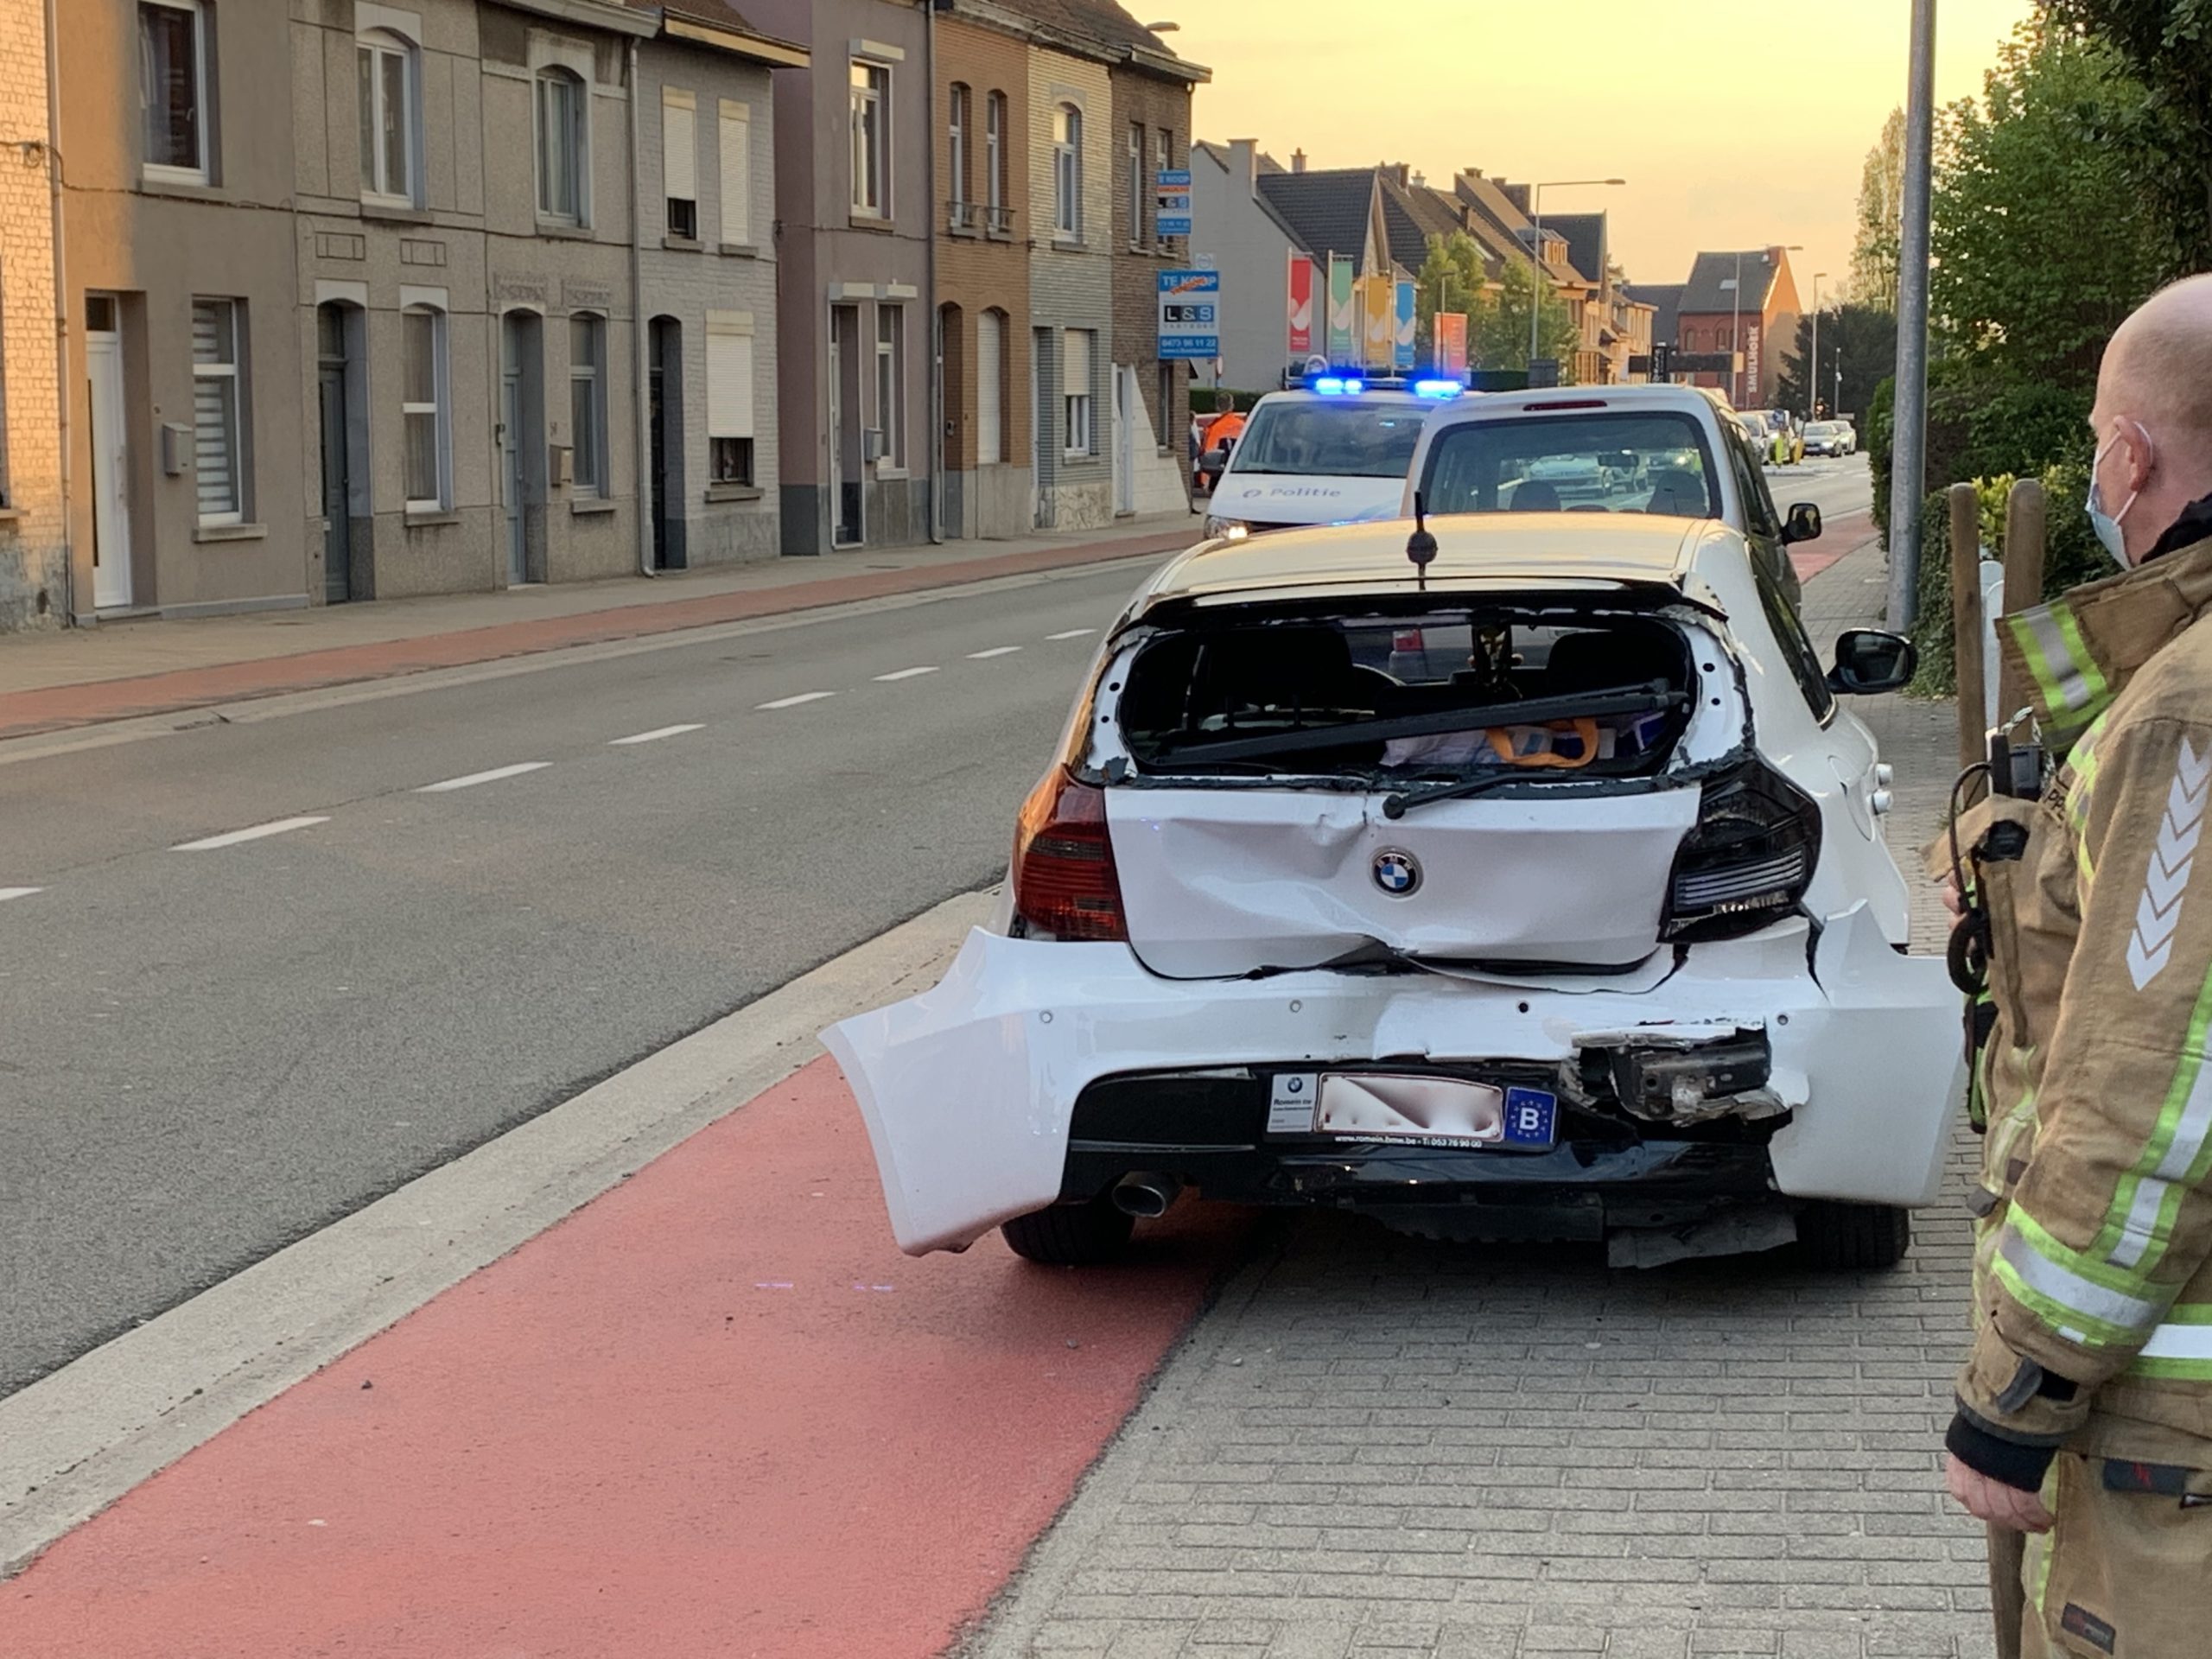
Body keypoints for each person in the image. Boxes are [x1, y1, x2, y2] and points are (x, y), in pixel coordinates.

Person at [1942, 273, 2212, 1657]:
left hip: (2174, 1434)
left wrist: (2020, 1391)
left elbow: (2151, 1098)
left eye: (2105, 442)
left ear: (2133, 454)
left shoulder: (2188, 715)